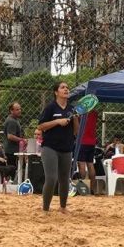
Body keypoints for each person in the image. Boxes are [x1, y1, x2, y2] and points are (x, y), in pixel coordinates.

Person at [37, 81, 79, 213]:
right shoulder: (51, 108)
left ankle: (63, 207)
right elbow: (40, 126)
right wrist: (57, 121)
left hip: (66, 148)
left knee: (64, 179)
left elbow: (75, 132)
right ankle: (45, 209)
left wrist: (76, 119)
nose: (66, 89)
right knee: (51, 178)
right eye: (63, 87)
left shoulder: (72, 109)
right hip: (50, 147)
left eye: (67, 87)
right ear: (56, 92)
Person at [77, 110, 98, 194]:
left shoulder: (80, 113)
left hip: (82, 141)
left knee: (81, 165)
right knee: (90, 164)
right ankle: (92, 189)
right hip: (92, 142)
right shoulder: (94, 113)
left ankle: (83, 188)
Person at [3, 102, 27, 168]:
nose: (19, 111)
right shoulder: (11, 121)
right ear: (11, 111)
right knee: (12, 169)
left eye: (20, 109)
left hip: (12, 150)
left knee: (15, 169)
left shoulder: (15, 119)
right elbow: (10, 136)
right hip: (11, 151)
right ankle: (11, 178)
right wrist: (22, 140)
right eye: (17, 109)